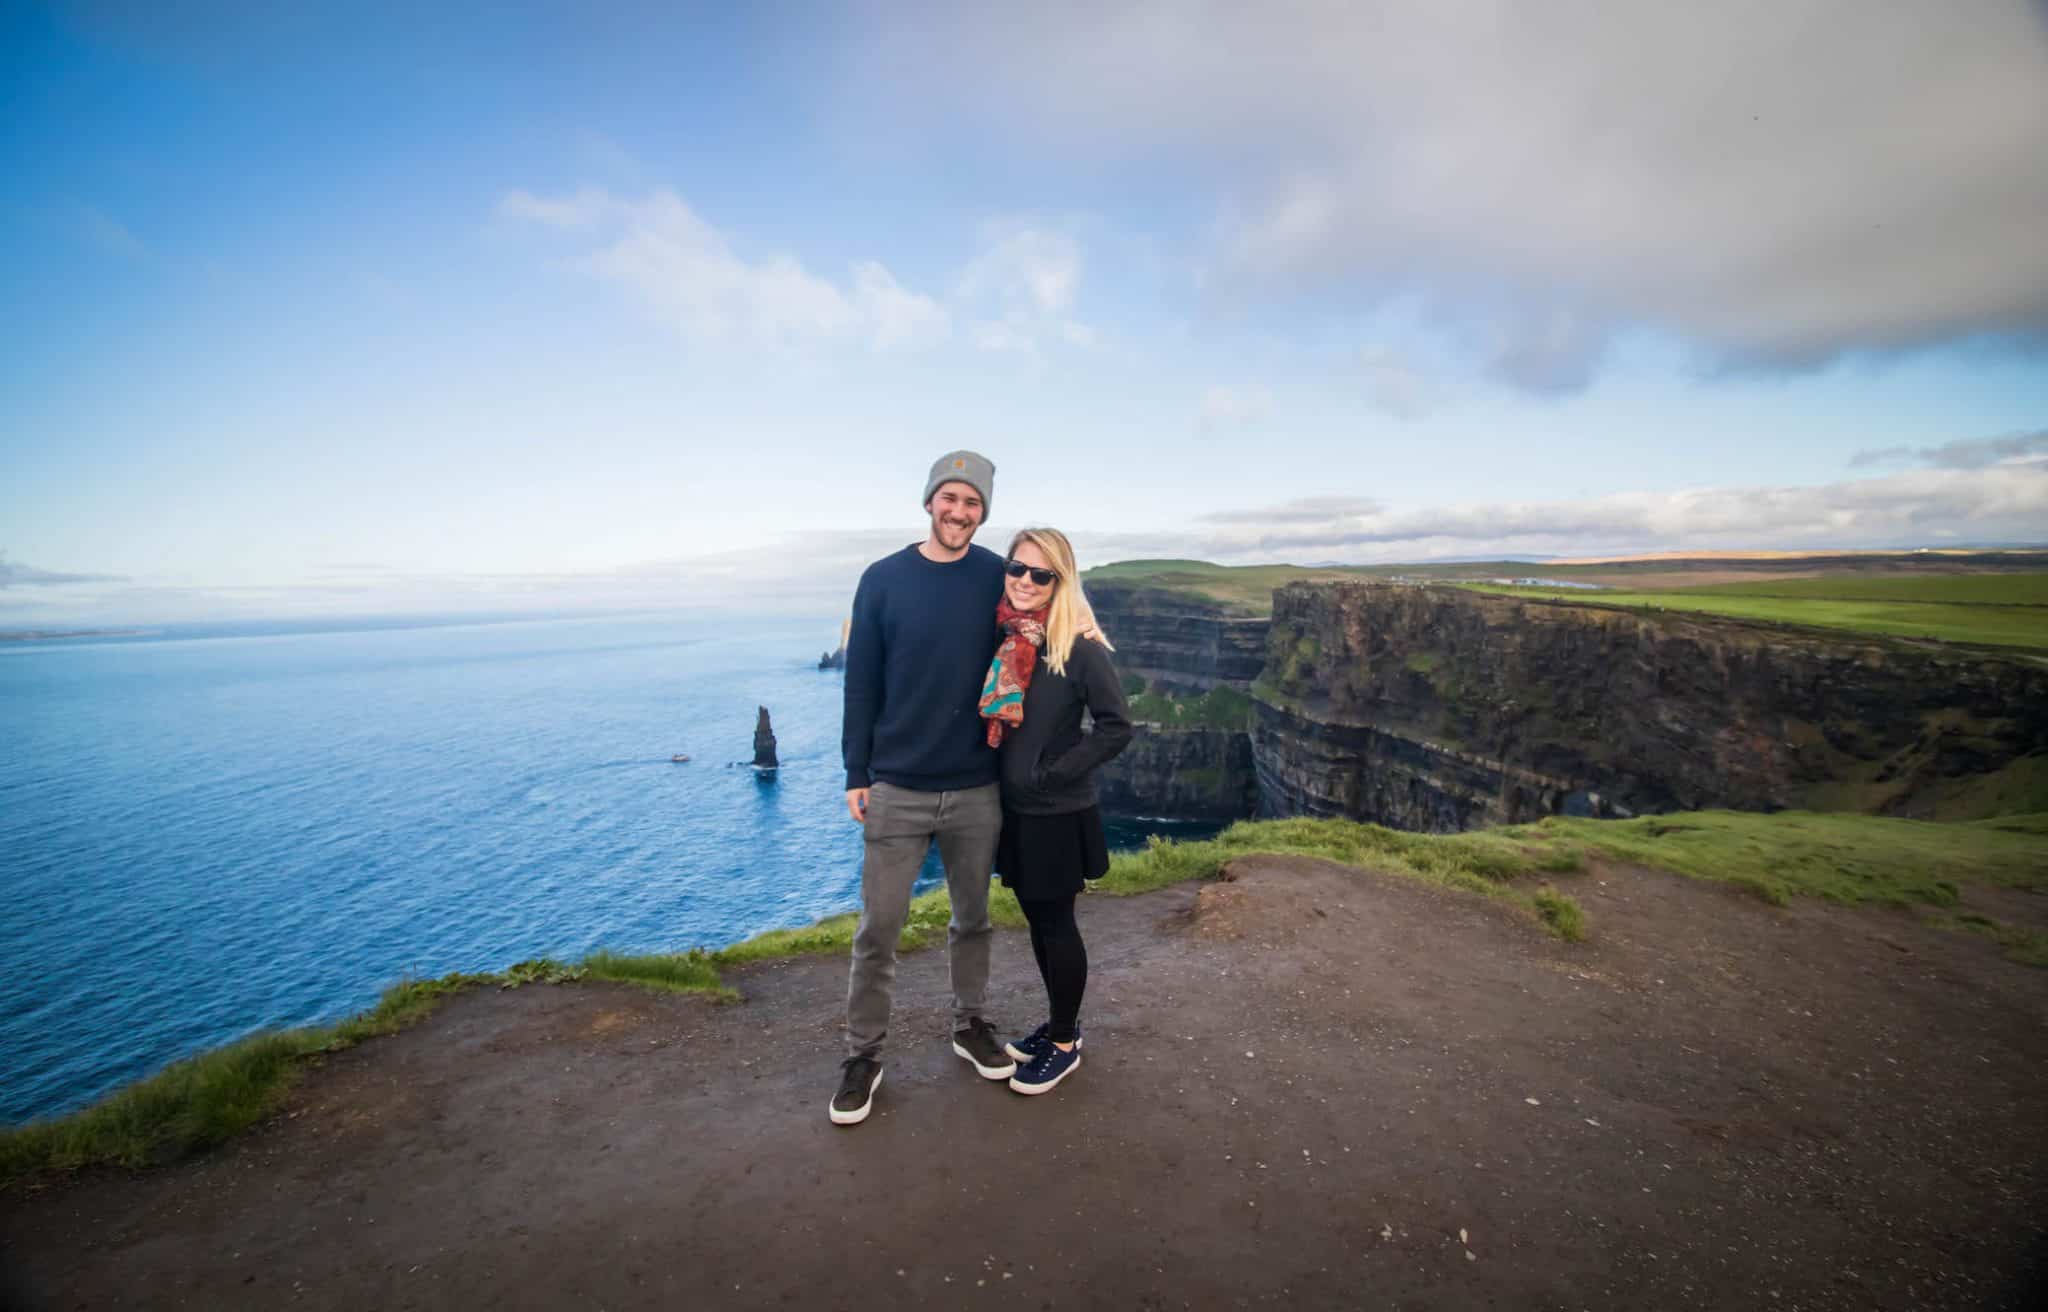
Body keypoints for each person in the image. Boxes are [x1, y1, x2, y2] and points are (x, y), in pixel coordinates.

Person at [831, 451, 1017, 1126]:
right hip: (899, 788)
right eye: (951, 498)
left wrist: (1086, 628)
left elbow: (1039, 629)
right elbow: (862, 684)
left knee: (974, 920)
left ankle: (970, 1025)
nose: (960, 512)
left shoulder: (1000, 575)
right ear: (930, 501)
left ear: (983, 511)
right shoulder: (883, 579)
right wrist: (858, 772)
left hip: (976, 785)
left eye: (973, 503)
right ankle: (862, 1056)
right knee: (878, 929)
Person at [979, 527, 1133, 1096]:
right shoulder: (1006, 639)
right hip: (1016, 812)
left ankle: (1065, 1043)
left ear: (1060, 581)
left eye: (1040, 574)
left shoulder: (1079, 649)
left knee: (1057, 924)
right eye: (1016, 568)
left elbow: (1117, 727)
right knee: (1039, 923)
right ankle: (1059, 1025)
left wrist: (1052, 771)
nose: (1024, 581)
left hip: (1055, 813)